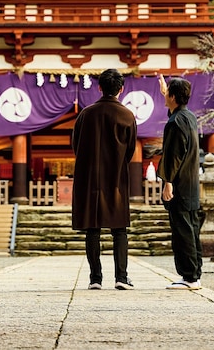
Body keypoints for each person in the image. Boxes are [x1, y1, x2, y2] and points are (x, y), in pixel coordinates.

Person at [71, 68, 138, 290]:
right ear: (121, 88)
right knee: (119, 229)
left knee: (93, 228)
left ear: (99, 87)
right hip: (116, 177)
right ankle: (121, 277)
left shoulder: (85, 114)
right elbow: (130, 150)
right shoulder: (127, 116)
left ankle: (95, 278)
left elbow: (76, 146)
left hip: (90, 178)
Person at [158, 76, 203, 290]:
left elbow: (173, 155)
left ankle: (189, 276)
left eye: (168, 94)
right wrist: (165, 93)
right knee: (192, 229)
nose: (165, 97)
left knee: (183, 231)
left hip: (180, 184)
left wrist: (168, 182)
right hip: (191, 184)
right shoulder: (189, 117)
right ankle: (194, 274)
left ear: (173, 96)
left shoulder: (175, 122)